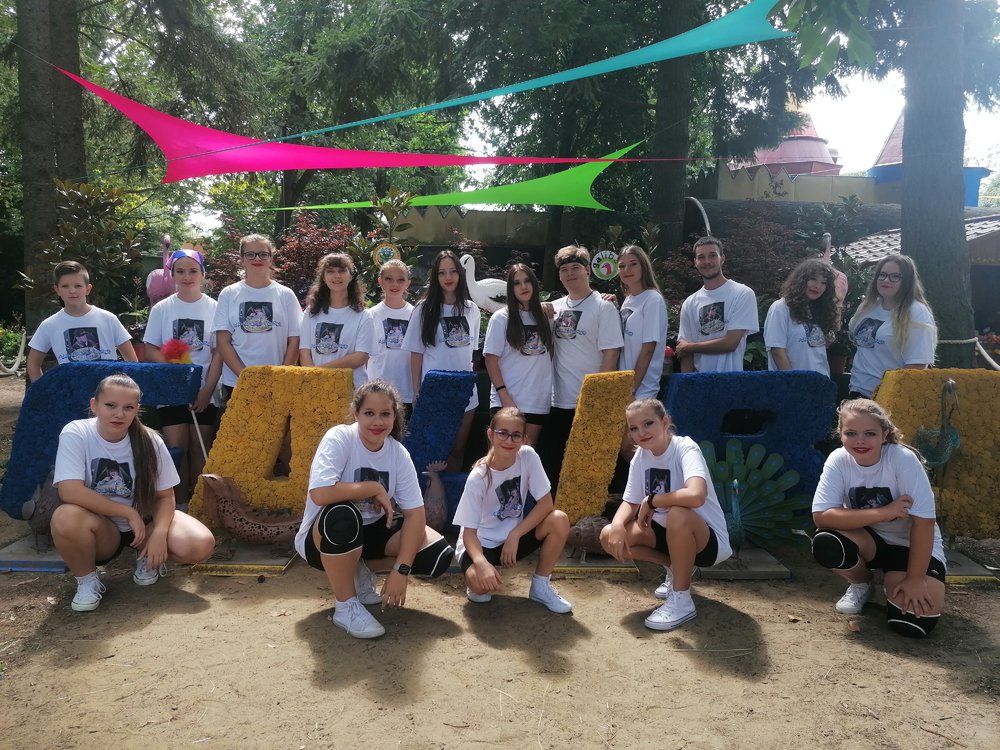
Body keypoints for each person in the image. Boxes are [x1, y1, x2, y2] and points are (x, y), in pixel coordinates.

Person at [293, 380, 455, 639]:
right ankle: (346, 606)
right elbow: (320, 493)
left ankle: (363, 568)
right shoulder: (340, 438)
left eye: (385, 414)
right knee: (343, 514)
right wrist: (372, 487)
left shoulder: (398, 453)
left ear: (395, 417)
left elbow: (415, 514)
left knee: (437, 554)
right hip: (323, 539)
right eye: (369, 413)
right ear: (356, 413)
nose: (377, 421)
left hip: (374, 530)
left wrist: (401, 569)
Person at [50, 374, 216, 612]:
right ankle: (87, 580)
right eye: (110, 405)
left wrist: (159, 534)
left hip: (144, 523)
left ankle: (147, 557)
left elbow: (165, 496)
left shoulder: (150, 440)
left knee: (200, 544)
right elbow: (69, 491)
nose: (119, 414)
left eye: (128, 407)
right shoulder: (76, 432)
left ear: (137, 409)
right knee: (65, 517)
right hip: (102, 528)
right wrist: (127, 513)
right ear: (94, 405)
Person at [811, 399, 946, 637]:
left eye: (870, 433)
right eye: (851, 433)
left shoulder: (902, 459)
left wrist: (915, 579)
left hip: (911, 546)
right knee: (826, 542)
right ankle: (862, 583)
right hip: (870, 542)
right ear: (840, 434)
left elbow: (924, 522)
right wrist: (884, 512)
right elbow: (822, 516)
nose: (860, 441)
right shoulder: (838, 459)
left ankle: (900, 577)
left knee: (912, 625)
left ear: (884, 435)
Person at [599, 399, 732, 631]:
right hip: (665, 534)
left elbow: (696, 495)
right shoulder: (640, 457)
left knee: (678, 513)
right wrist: (618, 524)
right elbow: (630, 501)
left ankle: (682, 600)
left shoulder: (685, 448)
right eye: (633, 428)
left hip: (706, 542)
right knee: (608, 535)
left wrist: (653, 500)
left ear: (665, 422)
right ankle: (674, 568)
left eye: (648, 423)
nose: (641, 432)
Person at [453, 407, 572, 613]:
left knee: (559, 519)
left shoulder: (528, 456)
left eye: (516, 435)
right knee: (481, 590)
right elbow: (469, 534)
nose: (509, 440)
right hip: (480, 543)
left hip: (511, 541)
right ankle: (476, 579)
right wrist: (481, 563)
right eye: (503, 433)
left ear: (524, 439)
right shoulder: (478, 477)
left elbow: (546, 504)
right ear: (490, 434)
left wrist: (515, 534)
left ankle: (540, 586)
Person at [143, 248, 223, 507]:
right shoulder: (162, 309)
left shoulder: (216, 308)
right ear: (172, 275)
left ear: (203, 274)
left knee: (201, 445)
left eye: (193, 271)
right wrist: (174, 373)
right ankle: (178, 507)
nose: (187, 277)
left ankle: (201, 506)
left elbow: (219, 353)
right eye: (180, 271)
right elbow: (151, 349)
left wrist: (207, 391)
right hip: (172, 391)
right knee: (177, 447)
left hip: (205, 391)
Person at [545, 245, 623, 492]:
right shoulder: (553, 307)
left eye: (575, 268)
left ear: (587, 270)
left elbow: (611, 353)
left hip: (588, 402)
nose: (570, 273)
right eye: (564, 270)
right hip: (556, 402)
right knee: (556, 468)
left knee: (587, 469)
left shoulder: (603, 306)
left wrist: (596, 397)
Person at [402, 250, 481, 472]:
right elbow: (416, 353)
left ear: (460, 274)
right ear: (435, 277)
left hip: (465, 392)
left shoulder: (472, 309)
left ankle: (450, 493)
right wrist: (416, 391)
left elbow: (471, 352)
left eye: (453, 271)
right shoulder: (423, 309)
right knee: (432, 452)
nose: (448, 277)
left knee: (457, 449)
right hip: (434, 391)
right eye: (442, 272)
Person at [212, 234, 302, 403]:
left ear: (271, 259)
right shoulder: (229, 294)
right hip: (238, 383)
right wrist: (246, 378)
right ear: (242, 259)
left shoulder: (286, 295)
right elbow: (223, 342)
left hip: (278, 383)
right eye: (250, 254)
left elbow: (295, 340)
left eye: (263, 254)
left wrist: (281, 375)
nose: (257, 259)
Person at [27, 261, 137, 383]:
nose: (72, 291)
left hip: (108, 390)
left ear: (88, 289)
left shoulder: (108, 319)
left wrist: (128, 389)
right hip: (71, 392)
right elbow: (33, 364)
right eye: (65, 286)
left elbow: (132, 361)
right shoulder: (49, 325)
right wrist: (43, 390)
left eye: (78, 286)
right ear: (57, 290)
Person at [483, 264, 554, 446]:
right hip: (507, 401)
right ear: (510, 288)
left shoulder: (546, 316)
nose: (523, 286)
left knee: (525, 456)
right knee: (500, 456)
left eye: (527, 281)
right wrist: (504, 397)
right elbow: (490, 360)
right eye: (517, 283)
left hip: (536, 402)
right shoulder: (501, 318)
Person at [848, 254, 936, 398]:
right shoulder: (868, 306)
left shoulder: (917, 311)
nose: (886, 280)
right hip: (857, 391)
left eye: (895, 276)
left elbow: (918, 365)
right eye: (882, 275)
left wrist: (890, 395)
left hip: (890, 396)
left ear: (907, 281)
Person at [676, 237, 758, 373]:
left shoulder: (742, 293)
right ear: (695, 262)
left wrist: (689, 347)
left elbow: (730, 343)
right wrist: (688, 382)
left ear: (722, 259)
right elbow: (685, 354)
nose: (707, 262)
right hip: (699, 382)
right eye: (701, 257)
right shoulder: (689, 303)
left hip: (731, 380)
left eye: (713, 255)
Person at [300, 252, 374, 389]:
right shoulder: (311, 312)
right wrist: (313, 379)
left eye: (342, 271)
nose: (337, 276)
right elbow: (304, 353)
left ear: (351, 276)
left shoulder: (364, 315)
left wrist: (319, 372)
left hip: (351, 390)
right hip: (317, 387)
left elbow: (360, 357)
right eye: (330, 271)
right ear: (323, 277)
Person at [763, 258, 839, 376]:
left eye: (824, 283)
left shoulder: (820, 311)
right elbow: (777, 351)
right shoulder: (781, 308)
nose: (818, 286)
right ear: (801, 280)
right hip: (791, 383)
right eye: (813, 279)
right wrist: (794, 381)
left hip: (820, 382)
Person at [617, 245, 667, 398]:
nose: (627, 270)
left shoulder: (652, 299)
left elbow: (649, 349)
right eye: (622, 266)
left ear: (643, 267)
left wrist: (632, 389)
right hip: (624, 385)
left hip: (642, 390)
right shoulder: (628, 300)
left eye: (633, 264)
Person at [367, 259, 415, 411]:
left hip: (407, 393)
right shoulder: (370, 315)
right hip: (376, 392)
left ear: (408, 283)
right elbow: (364, 356)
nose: (395, 284)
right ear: (380, 281)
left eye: (400, 280)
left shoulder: (416, 314)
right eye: (389, 279)